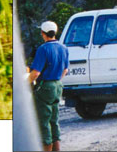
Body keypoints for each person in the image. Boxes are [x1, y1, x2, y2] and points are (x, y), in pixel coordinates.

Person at [27, 19, 70, 151]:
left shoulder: (43, 49)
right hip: (58, 85)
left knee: (43, 121)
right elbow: (65, 70)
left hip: (45, 86)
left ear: (43, 33)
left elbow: (36, 73)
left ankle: (46, 148)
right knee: (54, 119)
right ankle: (57, 149)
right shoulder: (64, 48)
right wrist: (57, 80)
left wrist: (25, 83)